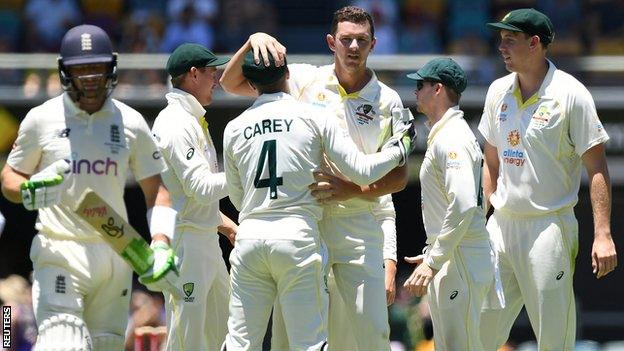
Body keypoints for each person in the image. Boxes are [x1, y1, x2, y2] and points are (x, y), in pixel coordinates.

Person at [220, 6, 412, 350]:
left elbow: (399, 178)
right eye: (346, 40)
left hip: (359, 227)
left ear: (373, 44)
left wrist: (352, 191)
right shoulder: (304, 79)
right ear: (331, 42)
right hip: (310, 222)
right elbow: (230, 82)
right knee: (290, 338)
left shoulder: (388, 101)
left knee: (373, 334)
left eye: (361, 41)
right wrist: (253, 42)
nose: (353, 48)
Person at [0, 24, 178, 350]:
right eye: (81, 69)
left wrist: (162, 242)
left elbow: (157, 190)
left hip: (116, 251)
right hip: (60, 249)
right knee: (62, 341)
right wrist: (29, 189)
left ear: (110, 68)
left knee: (106, 345)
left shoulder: (131, 122)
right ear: (65, 72)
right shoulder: (41, 119)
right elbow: (9, 179)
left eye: (96, 67)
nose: (90, 77)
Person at [478, 8, 617, 350]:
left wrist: (603, 235)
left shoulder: (572, 94)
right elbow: (490, 161)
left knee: (554, 339)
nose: (502, 47)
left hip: (548, 227)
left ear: (535, 43)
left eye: (511, 40)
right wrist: (482, 219)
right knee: (476, 329)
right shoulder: (497, 92)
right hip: (501, 227)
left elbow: (597, 168)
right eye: (501, 39)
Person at [402, 58, 495, 351]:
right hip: (456, 256)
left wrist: (433, 260)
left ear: (438, 88)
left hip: (461, 258)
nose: (415, 92)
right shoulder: (447, 134)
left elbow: (465, 204)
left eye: (421, 85)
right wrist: (434, 253)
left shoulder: (452, 137)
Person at [151, 43, 238, 351]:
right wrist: (249, 172)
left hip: (205, 241)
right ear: (193, 75)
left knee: (222, 330)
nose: (216, 79)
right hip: (186, 244)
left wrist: (224, 224)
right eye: (211, 72)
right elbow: (200, 188)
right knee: (186, 337)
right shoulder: (175, 122)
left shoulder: (190, 119)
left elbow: (190, 195)